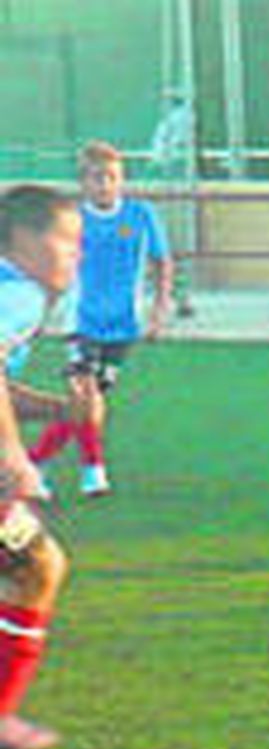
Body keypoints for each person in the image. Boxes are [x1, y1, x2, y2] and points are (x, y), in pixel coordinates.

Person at [30, 140, 174, 497]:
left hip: (123, 327)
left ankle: (37, 462)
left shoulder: (141, 216)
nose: (104, 184)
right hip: (82, 324)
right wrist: (41, 312)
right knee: (85, 397)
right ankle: (90, 471)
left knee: (87, 405)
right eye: (96, 178)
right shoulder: (73, 220)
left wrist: (159, 311)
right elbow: (53, 268)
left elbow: (162, 262)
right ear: (84, 182)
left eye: (111, 177)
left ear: (121, 179)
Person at [0, 185, 83, 749]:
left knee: (38, 563)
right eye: (67, 240)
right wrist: (13, 457)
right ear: (25, 240)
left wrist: (58, 410)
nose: (76, 256)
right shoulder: (20, 296)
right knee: (39, 565)